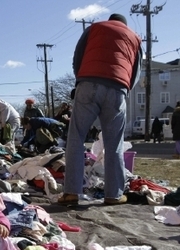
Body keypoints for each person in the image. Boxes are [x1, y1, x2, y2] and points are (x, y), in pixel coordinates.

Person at [57, 13, 142, 206]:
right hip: (118, 89)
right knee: (114, 144)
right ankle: (114, 194)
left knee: (76, 137)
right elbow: (136, 71)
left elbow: (77, 57)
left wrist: (81, 79)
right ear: (124, 24)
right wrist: (124, 89)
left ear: (111, 20)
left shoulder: (94, 28)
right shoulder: (135, 37)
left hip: (88, 83)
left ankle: (71, 193)